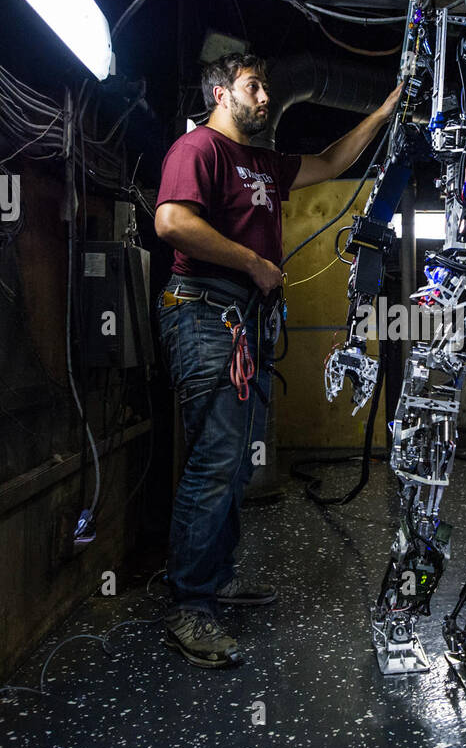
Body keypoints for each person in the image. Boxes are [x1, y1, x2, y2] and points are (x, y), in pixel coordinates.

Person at [153, 52, 402, 668]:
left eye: (266, 87)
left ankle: (216, 577)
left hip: (246, 321)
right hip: (206, 313)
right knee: (215, 460)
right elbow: (172, 222)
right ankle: (190, 605)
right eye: (254, 87)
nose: (266, 98)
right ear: (220, 93)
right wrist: (252, 263)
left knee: (235, 460)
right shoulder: (200, 151)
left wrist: (387, 110)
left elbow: (333, 160)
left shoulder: (262, 161)